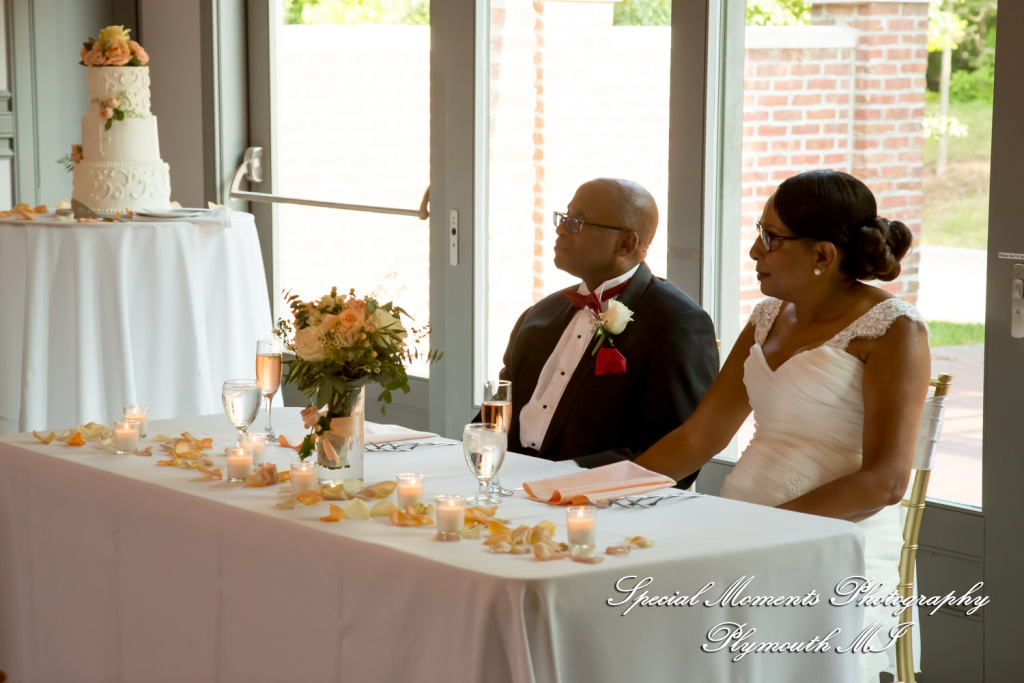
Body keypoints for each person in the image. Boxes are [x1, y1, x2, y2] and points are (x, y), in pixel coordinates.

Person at [636, 169, 931, 681]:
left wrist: (766, 534)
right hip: (738, 524)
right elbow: (698, 437)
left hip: (836, 538)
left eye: (771, 238)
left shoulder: (894, 330)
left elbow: (885, 482)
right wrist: (601, 488)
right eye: (759, 232)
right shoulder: (766, 317)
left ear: (823, 255)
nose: (754, 251)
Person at [497, 177, 719, 488]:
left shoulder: (677, 324)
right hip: (507, 488)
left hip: (600, 501)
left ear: (626, 243)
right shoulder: (539, 316)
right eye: (564, 218)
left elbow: (675, 450)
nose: (560, 229)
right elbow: (494, 415)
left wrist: (571, 478)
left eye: (577, 222)